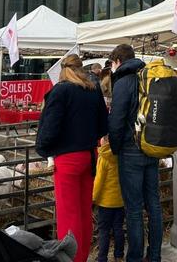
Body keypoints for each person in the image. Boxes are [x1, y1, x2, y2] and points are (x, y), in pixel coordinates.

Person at [36, 54, 108, 262]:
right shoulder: (93, 91)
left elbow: (49, 128)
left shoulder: (60, 91)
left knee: (68, 216)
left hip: (67, 158)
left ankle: (70, 258)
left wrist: (44, 148)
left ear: (62, 71)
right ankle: (82, 256)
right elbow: (104, 125)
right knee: (85, 211)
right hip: (89, 156)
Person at [107, 44, 161, 262]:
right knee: (154, 204)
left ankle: (135, 257)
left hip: (131, 150)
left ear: (118, 61)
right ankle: (155, 255)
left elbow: (116, 120)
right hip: (153, 147)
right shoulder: (148, 78)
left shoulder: (124, 82)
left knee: (134, 209)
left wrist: (115, 147)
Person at [93, 139, 125, 262]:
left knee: (104, 231)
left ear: (104, 141)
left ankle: (102, 257)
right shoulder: (120, 156)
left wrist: (93, 198)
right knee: (118, 228)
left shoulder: (103, 158)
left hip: (105, 203)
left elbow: (99, 182)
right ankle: (119, 255)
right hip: (119, 201)